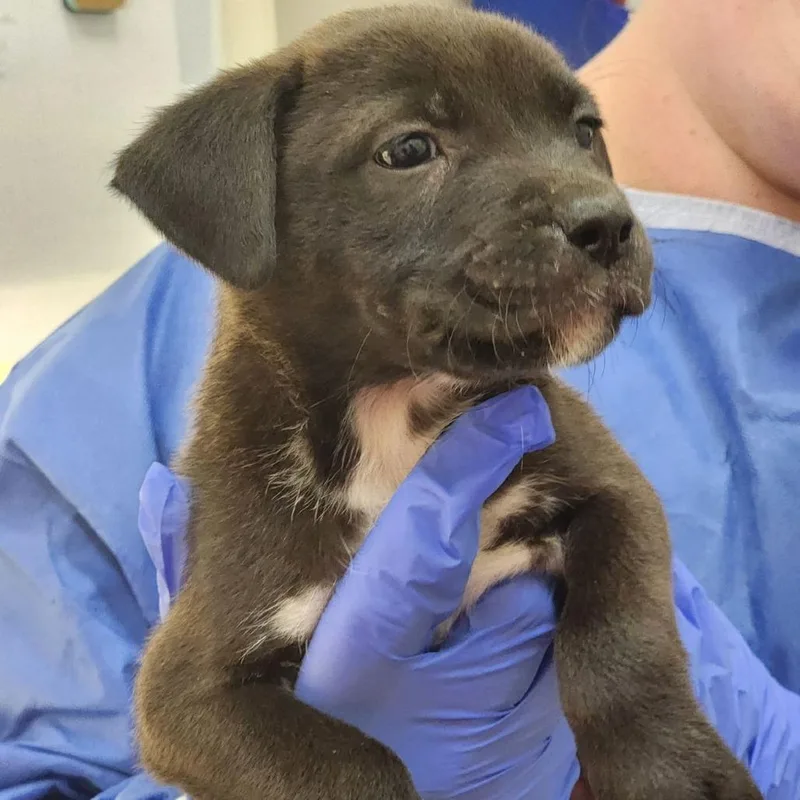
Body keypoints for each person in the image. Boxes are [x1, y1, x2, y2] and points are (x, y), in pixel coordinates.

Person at [1, 0, 798, 797]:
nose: (592, 202)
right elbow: (179, 707)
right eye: (411, 150)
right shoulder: (156, 378)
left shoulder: (530, 422)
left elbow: (609, 509)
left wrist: (637, 706)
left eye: (581, 132)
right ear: (239, 204)